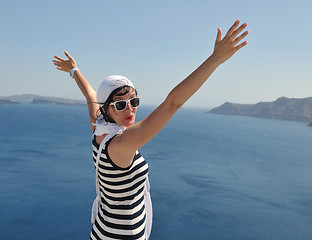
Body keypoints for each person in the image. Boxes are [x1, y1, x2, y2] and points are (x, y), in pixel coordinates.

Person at [52, 19, 248, 240]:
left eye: (134, 102)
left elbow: (90, 95)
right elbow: (172, 103)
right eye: (120, 104)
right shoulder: (121, 143)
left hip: (104, 231)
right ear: (107, 108)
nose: (130, 110)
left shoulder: (99, 126)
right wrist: (215, 60)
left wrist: (74, 70)